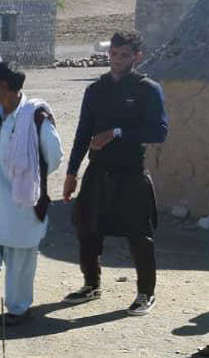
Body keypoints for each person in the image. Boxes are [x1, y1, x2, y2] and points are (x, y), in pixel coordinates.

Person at [62, 31, 168, 316]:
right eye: (113, 54)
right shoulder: (96, 90)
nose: (117, 60)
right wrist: (71, 173)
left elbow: (159, 132)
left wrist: (116, 133)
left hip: (131, 172)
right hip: (97, 172)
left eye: (123, 55)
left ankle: (146, 293)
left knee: (139, 235)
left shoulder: (148, 89)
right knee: (87, 228)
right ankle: (91, 285)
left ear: (137, 57)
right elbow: (83, 133)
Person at [0, 62, 64, 326]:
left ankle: (18, 310)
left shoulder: (36, 117)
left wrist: (29, 178)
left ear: (4, 87)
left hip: (24, 205)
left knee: (20, 260)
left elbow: (54, 157)